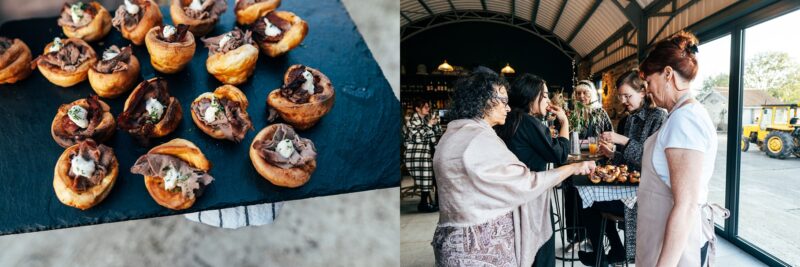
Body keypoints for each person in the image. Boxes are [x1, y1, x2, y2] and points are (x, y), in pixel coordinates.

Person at [431, 67, 596, 267]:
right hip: (479, 250)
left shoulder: (454, 133)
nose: (507, 108)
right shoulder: (479, 138)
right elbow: (528, 182)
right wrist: (572, 167)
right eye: (503, 101)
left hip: (452, 239)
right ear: (485, 101)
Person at [636, 31, 729, 266]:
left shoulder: (685, 120)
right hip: (658, 235)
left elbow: (686, 205)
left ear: (667, 74)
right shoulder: (679, 115)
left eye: (648, 82)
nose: (647, 89)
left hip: (672, 248)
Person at [576, 69, 668, 265]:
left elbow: (652, 160)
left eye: (628, 95)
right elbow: (627, 163)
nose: (624, 101)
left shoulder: (658, 116)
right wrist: (612, 155)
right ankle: (615, 251)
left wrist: (622, 141)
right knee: (586, 197)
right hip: (628, 188)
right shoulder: (629, 118)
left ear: (643, 92)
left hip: (645, 193)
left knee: (589, 204)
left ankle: (604, 257)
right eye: (621, 96)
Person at [495, 73, 570, 267]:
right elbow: (559, 154)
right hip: (532, 195)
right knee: (541, 249)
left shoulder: (511, 119)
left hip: (512, 195)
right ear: (531, 96)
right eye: (544, 96)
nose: (548, 100)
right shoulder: (528, 122)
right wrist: (564, 122)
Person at [404, 100, 442, 212]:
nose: (428, 108)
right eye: (425, 107)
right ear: (417, 108)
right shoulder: (410, 121)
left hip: (425, 152)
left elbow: (435, 134)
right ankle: (424, 203)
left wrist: (435, 125)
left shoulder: (425, 119)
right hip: (415, 153)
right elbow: (418, 137)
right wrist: (429, 125)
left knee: (439, 168)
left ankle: (437, 202)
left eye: (428, 106)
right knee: (430, 169)